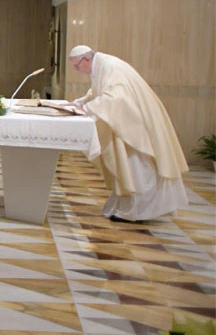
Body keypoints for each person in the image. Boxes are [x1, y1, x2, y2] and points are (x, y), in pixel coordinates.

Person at [66, 45, 189, 222]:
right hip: (126, 122)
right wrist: (80, 102)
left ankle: (138, 210)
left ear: (86, 59)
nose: (78, 70)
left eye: (77, 66)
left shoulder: (111, 66)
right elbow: (97, 90)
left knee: (136, 167)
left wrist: (86, 108)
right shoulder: (101, 65)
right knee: (127, 167)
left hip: (133, 127)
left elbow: (115, 97)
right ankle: (127, 206)